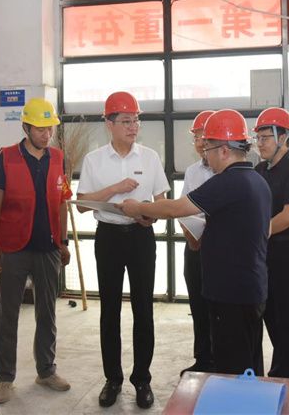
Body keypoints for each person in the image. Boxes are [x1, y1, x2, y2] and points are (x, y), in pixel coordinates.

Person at [118, 109, 271, 376]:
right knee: (249, 361)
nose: (205, 155)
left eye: (208, 148)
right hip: (250, 286)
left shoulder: (227, 182)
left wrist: (138, 207)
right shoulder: (257, 180)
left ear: (224, 150)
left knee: (232, 367)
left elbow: (176, 208)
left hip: (230, 291)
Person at [76, 91, 170, 409]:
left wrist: (148, 215)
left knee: (143, 309)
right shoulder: (94, 160)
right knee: (110, 310)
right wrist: (115, 189)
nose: (133, 127)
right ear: (109, 124)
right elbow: (82, 203)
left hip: (141, 237)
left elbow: (161, 202)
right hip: (109, 239)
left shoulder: (150, 157)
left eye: (136, 121)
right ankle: (112, 379)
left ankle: (142, 379)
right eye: (126, 121)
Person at [0, 98, 73, 404]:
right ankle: (5, 378)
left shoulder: (58, 158)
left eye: (50, 129)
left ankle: (46, 371)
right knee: (7, 314)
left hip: (48, 247)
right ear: (26, 127)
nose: (46, 134)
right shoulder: (7, 157)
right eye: (40, 129)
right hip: (13, 246)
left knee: (47, 312)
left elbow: (62, 201)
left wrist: (62, 241)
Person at [254, 107, 289, 379]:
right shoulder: (260, 170)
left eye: (265, 137)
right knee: (270, 316)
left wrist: (255, 233)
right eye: (258, 138)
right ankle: (280, 371)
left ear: (283, 137)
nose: (260, 143)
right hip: (264, 251)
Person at [178, 110, 215, 376]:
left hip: (221, 250)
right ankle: (202, 359)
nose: (200, 143)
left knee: (220, 309)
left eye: (205, 137)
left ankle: (222, 361)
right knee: (198, 307)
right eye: (197, 138)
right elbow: (183, 208)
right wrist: (191, 237)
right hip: (195, 247)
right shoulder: (192, 171)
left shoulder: (228, 170)